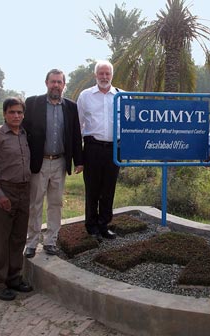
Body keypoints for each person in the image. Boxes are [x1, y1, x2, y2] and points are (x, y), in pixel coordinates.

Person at [22, 69, 84, 258]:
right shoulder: (33, 103)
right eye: (53, 82)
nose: (56, 85)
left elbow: (75, 135)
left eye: (59, 82)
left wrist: (79, 161)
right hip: (38, 162)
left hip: (60, 162)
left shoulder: (71, 107)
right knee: (35, 203)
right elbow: (24, 133)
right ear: (46, 83)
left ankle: (50, 241)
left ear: (64, 85)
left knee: (56, 203)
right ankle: (31, 242)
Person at [0, 97, 33, 301]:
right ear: (4, 114)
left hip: (23, 191)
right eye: (12, 112)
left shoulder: (24, 135)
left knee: (18, 237)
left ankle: (13, 277)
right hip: (2, 192)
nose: (16, 116)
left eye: (19, 112)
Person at [77, 60, 121, 240]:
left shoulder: (122, 96)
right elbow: (78, 126)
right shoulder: (85, 96)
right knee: (93, 189)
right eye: (101, 73)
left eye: (107, 74)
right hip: (93, 148)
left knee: (108, 189)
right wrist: (78, 155)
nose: (104, 77)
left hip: (114, 149)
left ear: (112, 75)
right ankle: (91, 225)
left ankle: (104, 224)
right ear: (95, 75)